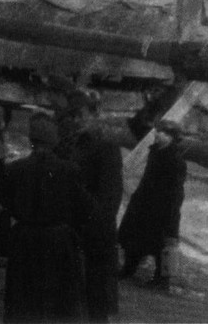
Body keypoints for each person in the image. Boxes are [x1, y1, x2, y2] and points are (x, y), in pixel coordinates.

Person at [1, 113, 92, 323]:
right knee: (58, 301)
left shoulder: (15, 169)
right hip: (59, 239)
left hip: (25, 238)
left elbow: (5, 202)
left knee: (23, 298)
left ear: (31, 141)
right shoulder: (69, 170)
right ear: (54, 141)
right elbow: (84, 207)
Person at [57, 93, 124, 322]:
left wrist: (92, 226)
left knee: (96, 300)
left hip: (95, 231)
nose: (77, 120)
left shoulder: (107, 146)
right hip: (73, 228)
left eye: (81, 115)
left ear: (95, 114)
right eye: (73, 116)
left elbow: (110, 196)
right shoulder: (74, 143)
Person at [118, 119, 189, 291]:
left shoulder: (176, 161)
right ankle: (129, 269)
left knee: (164, 243)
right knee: (133, 237)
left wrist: (171, 212)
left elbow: (176, 191)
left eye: (163, 132)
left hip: (163, 208)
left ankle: (162, 280)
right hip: (144, 202)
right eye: (158, 130)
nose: (157, 134)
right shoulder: (155, 152)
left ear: (172, 137)